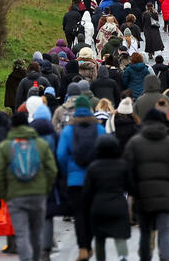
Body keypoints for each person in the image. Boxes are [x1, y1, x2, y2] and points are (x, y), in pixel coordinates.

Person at [123, 109, 169, 261]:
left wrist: (134, 190)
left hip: (142, 196)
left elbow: (126, 170)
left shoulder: (135, 142)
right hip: (166, 196)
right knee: (164, 232)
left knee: (145, 233)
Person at [0, 112, 59, 261]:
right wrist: (45, 189)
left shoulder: (5, 146)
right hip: (38, 195)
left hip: (15, 196)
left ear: (12, 127)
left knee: (21, 234)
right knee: (36, 233)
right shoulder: (41, 144)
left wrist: (5, 194)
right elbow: (52, 169)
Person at [57, 97, 107, 260]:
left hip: (75, 180)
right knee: (91, 213)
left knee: (79, 214)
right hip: (94, 179)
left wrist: (67, 173)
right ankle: (89, 243)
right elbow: (105, 152)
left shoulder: (68, 130)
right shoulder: (99, 129)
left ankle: (83, 248)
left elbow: (61, 155)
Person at [82, 135, 136, 261]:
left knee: (100, 237)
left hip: (99, 206)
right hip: (118, 205)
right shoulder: (123, 166)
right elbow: (131, 188)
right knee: (120, 235)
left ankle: (101, 258)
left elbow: (87, 192)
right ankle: (122, 256)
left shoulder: (93, 167)